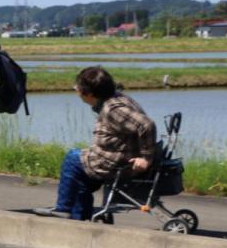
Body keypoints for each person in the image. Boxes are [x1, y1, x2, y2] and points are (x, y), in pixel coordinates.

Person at [35, 66, 157, 221]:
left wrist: (146, 158)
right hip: (118, 157)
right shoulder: (116, 98)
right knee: (80, 177)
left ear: (89, 93)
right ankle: (79, 218)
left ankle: (64, 208)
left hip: (119, 163)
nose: (76, 90)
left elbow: (146, 125)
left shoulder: (112, 109)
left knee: (72, 159)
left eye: (78, 88)